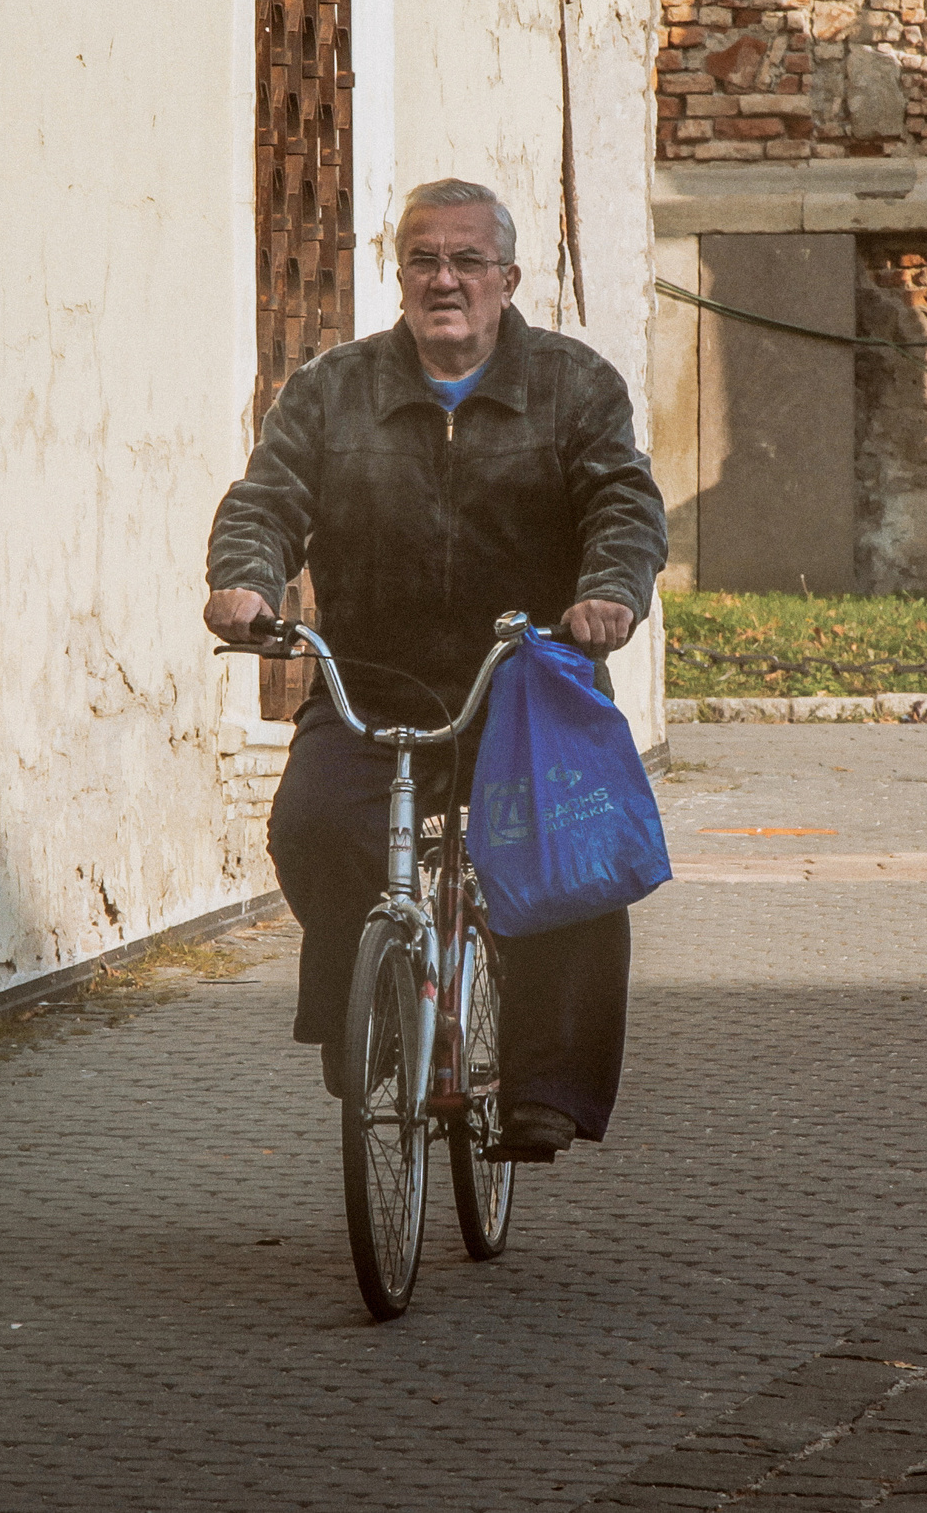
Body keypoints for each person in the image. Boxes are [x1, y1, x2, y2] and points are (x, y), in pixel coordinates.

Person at [205, 177, 666, 1160]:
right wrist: (247, 584)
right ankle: (360, 1002)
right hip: (372, 671)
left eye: (466, 260)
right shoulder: (334, 388)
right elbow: (267, 499)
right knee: (314, 824)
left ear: (507, 276)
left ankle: (546, 1082)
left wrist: (608, 593)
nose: (444, 278)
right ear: (398, 270)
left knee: (568, 861)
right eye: (424, 259)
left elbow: (621, 503)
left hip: (528, 676)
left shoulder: (573, 385)